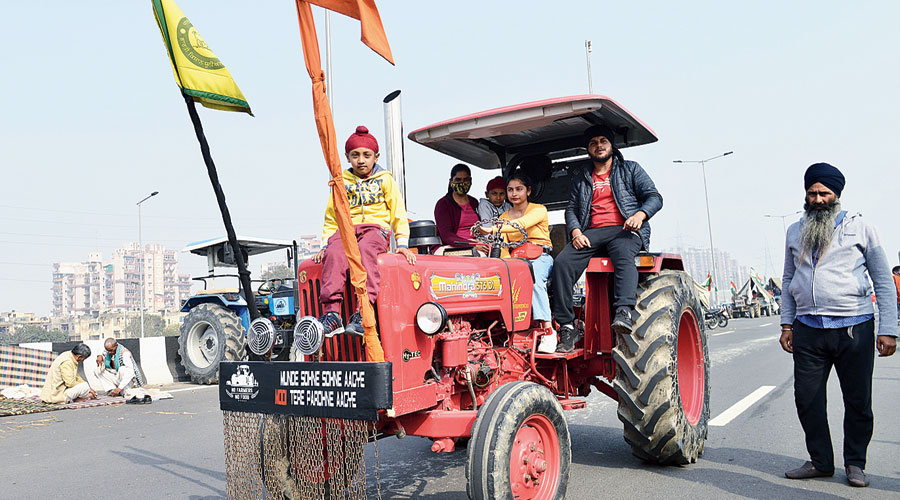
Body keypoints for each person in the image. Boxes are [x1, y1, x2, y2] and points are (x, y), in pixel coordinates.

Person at [779, 163, 897, 488]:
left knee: (858, 402)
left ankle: (855, 463)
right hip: (808, 330)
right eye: (812, 193)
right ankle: (820, 461)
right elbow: (788, 278)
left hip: (854, 328)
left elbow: (883, 280)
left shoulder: (862, 229)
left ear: (837, 196)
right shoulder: (794, 230)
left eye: (824, 193)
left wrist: (889, 328)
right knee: (807, 399)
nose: (817, 199)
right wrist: (786, 324)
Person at [550, 124, 663, 352]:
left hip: (625, 229)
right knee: (562, 263)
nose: (598, 146)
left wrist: (639, 216)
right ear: (588, 149)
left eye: (603, 141)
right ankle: (566, 326)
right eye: (593, 143)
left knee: (623, 255)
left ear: (611, 145)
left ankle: (623, 311)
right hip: (591, 233)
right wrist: (576, 232)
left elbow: (654, 197)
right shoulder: (582, 177)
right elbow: (572, 208)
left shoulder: (630, 169)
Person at [312, 126, 415, 335]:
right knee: (334, 253)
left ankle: (364, 311)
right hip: (347, 230)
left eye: (366, 155)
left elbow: (398, 211)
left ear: (375, 157)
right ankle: (332, 314)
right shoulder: (341, 183)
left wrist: (403, 243)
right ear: (347, 157)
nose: (361, 160)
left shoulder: (385, 179)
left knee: (367, 250)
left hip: (376, 229)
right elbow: (332, 215)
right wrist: (324, 244)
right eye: (355, 155)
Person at [480, 172, 556, 352]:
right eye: (510, 190)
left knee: (533, 278)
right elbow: (504, 247)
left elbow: (521, 224)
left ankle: (548, 331)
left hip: (540, 256)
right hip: (517, 260)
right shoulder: (504, 217)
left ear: (528, 191)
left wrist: (492, 229)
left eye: (519, 189)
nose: (514, 193)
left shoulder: (538, 210)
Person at [434, 163, 480, 247]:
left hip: (478, 244)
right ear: (451, 182)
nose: (462, 183)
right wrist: (471, 245)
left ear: (471, 181)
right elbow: (447, 236)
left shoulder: (474, 202)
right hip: (454, 246)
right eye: (458, 180)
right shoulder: (443, 204)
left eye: (465, 179)